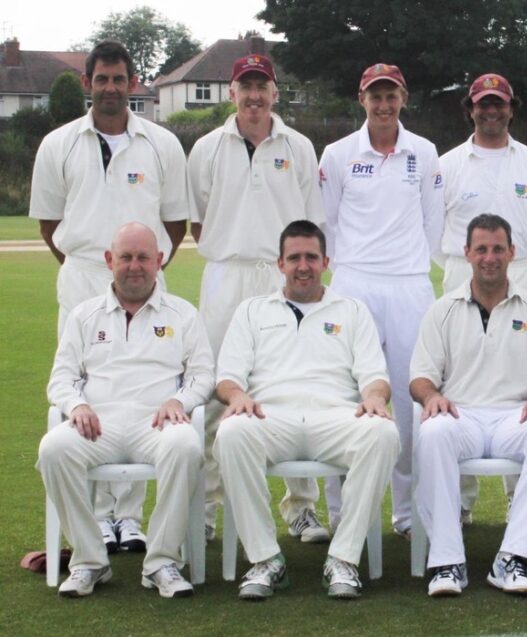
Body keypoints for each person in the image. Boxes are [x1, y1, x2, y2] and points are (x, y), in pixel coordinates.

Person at [29, 39, 190, 554]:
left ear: (133, 83)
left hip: (144, 280)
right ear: (88, 83)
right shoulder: (57, 143)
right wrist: (94, 274)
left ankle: (131, 517)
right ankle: (98, 519)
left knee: (142, 393)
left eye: (120, 79)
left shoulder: (162, 143)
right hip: (82, 278)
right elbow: (50, 222)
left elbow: (175, 220)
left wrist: (142, 269)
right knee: (89, 395)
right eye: (102, 79)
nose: (111, 88)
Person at [213, 220, 400, 601]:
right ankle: (266, 559)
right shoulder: (252, 311)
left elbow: (374, 375)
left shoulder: (352, 310)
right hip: (270, 417)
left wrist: (376, 397)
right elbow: (227, 376)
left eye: (311, 257)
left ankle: (344, 559)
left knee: (383, 433)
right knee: (230, 432)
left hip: (335, 417)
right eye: (294, 257)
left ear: (325, 261)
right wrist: (236, 397)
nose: (303, 266)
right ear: (279, 263)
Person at [187, 53, 328, 543]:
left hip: (282, 277)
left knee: (295, 383)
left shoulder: (300, 147)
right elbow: (199, 220)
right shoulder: (207, 148)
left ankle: (301, 507)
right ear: (232, 92)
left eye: (261, 86)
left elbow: (310, 221)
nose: (253, 95)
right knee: (212, 391)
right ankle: (206, 507)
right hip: (225, 275)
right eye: (244, 86)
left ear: (274, 92)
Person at [38, 222, 212, 599]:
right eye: (126, 257)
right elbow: (60, 379)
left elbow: (202, 376)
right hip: (97, 424)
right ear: (109, 260)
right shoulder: (84, 315)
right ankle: (89, 560)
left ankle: (162, 562)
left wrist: (178, 402)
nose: (135, 266)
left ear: (159, 261)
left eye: (143, 258)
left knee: (185, 446)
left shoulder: (182, 314)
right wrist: (77, 404)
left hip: (157, 423)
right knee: (53, 449)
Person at [411, 214, 527, 598]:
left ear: (512, 252)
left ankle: (513, 557)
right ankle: (448, 560)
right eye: (481, 249)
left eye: (498, 248)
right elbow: (420, 377)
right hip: (460, 415)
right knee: (432, 430)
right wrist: (432, 396)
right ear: (466, 253)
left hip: (515, 416)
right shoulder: (442, 309)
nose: (490, 257)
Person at [319, 63, 443, 538]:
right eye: (375, 95)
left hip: (410, 283)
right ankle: (345, 514)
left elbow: (432, 223)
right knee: (348, 398)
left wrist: (406, 265)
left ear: (404, 98)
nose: (384, 104)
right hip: (354, 284)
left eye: (391, 95)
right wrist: (353, 272)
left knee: (410, 401)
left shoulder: (425, 152)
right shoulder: (337, 154)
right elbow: (327, 222)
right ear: (361, 99)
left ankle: (409, 514)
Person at [438, 73, 527, 522]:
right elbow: (433, 231)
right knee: (456, 381)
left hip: (523, 272)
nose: (491, 111)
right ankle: (459, 502)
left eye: (499, 103)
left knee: (523, 381)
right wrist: (465, 265)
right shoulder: (447, 164)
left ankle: (520, 498)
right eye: (482, 104)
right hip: (460, 273)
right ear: (470, 108)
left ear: (511, 107)